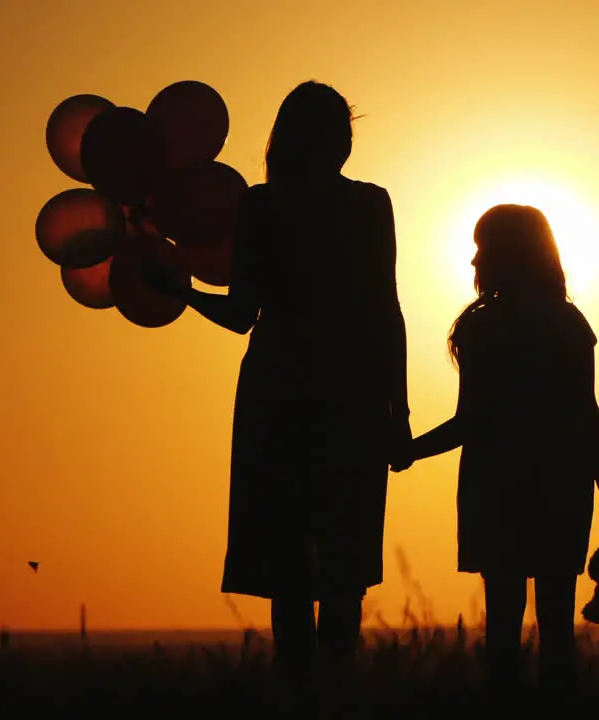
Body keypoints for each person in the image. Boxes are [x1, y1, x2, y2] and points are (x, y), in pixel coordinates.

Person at [144, 81, 410, 678]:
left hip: (279, 391)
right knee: (344, 558)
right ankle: (335, 691)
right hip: (353, 393)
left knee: (289, 565)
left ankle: (300, 692)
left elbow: (242, 315)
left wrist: (183, 294)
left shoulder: (263, 206)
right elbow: (386, 311)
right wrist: (401, 411)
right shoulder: (370, 204)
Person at [393, 204, 599, 699]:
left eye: (482, 250)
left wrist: (409, 450)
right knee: (557, 627)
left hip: (496, 490)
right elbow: (588, 416)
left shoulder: (485, 327)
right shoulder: (567, 321)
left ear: (508, 255)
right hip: (562, 486)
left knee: (502, 623)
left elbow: (469, 422)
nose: (474, 263)